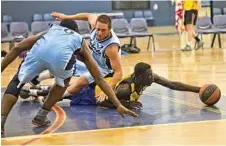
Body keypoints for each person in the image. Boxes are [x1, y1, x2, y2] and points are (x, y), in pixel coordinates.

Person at [1, 19, 137, 134]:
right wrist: (117, 104)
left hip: (39, 52)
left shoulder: (51, 30)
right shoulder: (79, 39)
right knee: (63, 81)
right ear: (76, 31)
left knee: (17, 81)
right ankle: (40, 117)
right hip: (63, 60)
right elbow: (99, 78)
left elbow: (16, 49)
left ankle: (1, 120)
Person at [21, 62, 201, 109]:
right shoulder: (125, 89)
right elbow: (104, 102)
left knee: (65, 94)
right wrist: (124, 105)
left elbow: (173, 84)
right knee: (64, 96)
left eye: (151, 74)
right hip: (95, 95)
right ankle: (32, 90)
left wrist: (198, 89)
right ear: (138, 77)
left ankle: (33, 91)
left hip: (102, 87)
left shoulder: (150, 78)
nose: (152, 77)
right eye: (148, 75)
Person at [37, 12, 122, 101]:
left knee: (82, 81)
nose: (100, 33)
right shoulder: (95, 25)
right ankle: (36, 80)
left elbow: (118, 72)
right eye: (98, 29)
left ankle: (55, 98)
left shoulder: (111, 48)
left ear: (109, 29)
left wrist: (108, 90)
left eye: (103, 30)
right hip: (91, 60)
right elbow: (88, 15)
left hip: (103, 69)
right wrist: (67, 16)